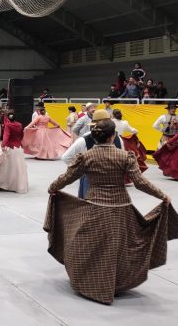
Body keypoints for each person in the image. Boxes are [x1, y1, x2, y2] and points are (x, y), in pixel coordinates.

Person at [45, 118, 175, 305]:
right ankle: (114, 284)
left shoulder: (87, 156)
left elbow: (67, 177)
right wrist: (162, 195)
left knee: (87, 248)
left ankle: (92, 282)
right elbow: (140, 183)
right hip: (121, 209)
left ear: (95, 137)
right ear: (113, 136)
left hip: (94, 208)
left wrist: (53, 187)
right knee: (119, 249)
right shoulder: (125, 156)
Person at [62, 110, 124, 198]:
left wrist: (80, 170)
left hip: (90, 180)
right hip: (113, 181)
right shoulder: (118, 139)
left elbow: (66, 157)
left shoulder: (84, 140)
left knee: (89, 207)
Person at [113, 109, 147, 175]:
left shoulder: (111, 122)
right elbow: (135, 131)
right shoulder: (124, 123)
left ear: (113, 115)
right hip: (121, 141)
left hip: (111, 140)